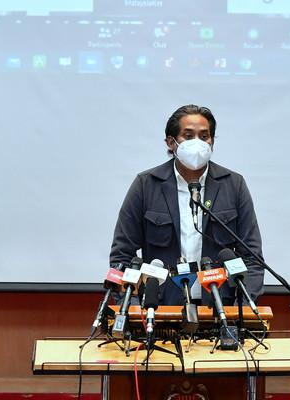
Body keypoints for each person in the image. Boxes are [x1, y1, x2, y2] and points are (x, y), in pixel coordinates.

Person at [109, 103, 264, 307]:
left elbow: (252, 258)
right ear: (171, 142)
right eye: (188, 136)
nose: (197, 143)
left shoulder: (233, 185)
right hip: (160, 309)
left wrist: (241, 310)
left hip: (220, 308)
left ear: (212, 142)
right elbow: (122, 255)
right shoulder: (146, 185)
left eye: (204, 136)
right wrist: (134, 306)